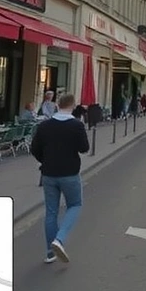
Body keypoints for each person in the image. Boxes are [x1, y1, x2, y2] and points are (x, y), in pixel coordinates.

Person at [30, 94, 89, 264]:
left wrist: (45, 160)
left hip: (48, 174)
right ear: (72, 105)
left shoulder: (45, 125)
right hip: (69, 173)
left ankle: (50, 252)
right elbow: (84, 148)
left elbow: (35, 149)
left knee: (51, 212)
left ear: (57, 105)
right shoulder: (76, 125)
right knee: (75, 204)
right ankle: (59, 239)